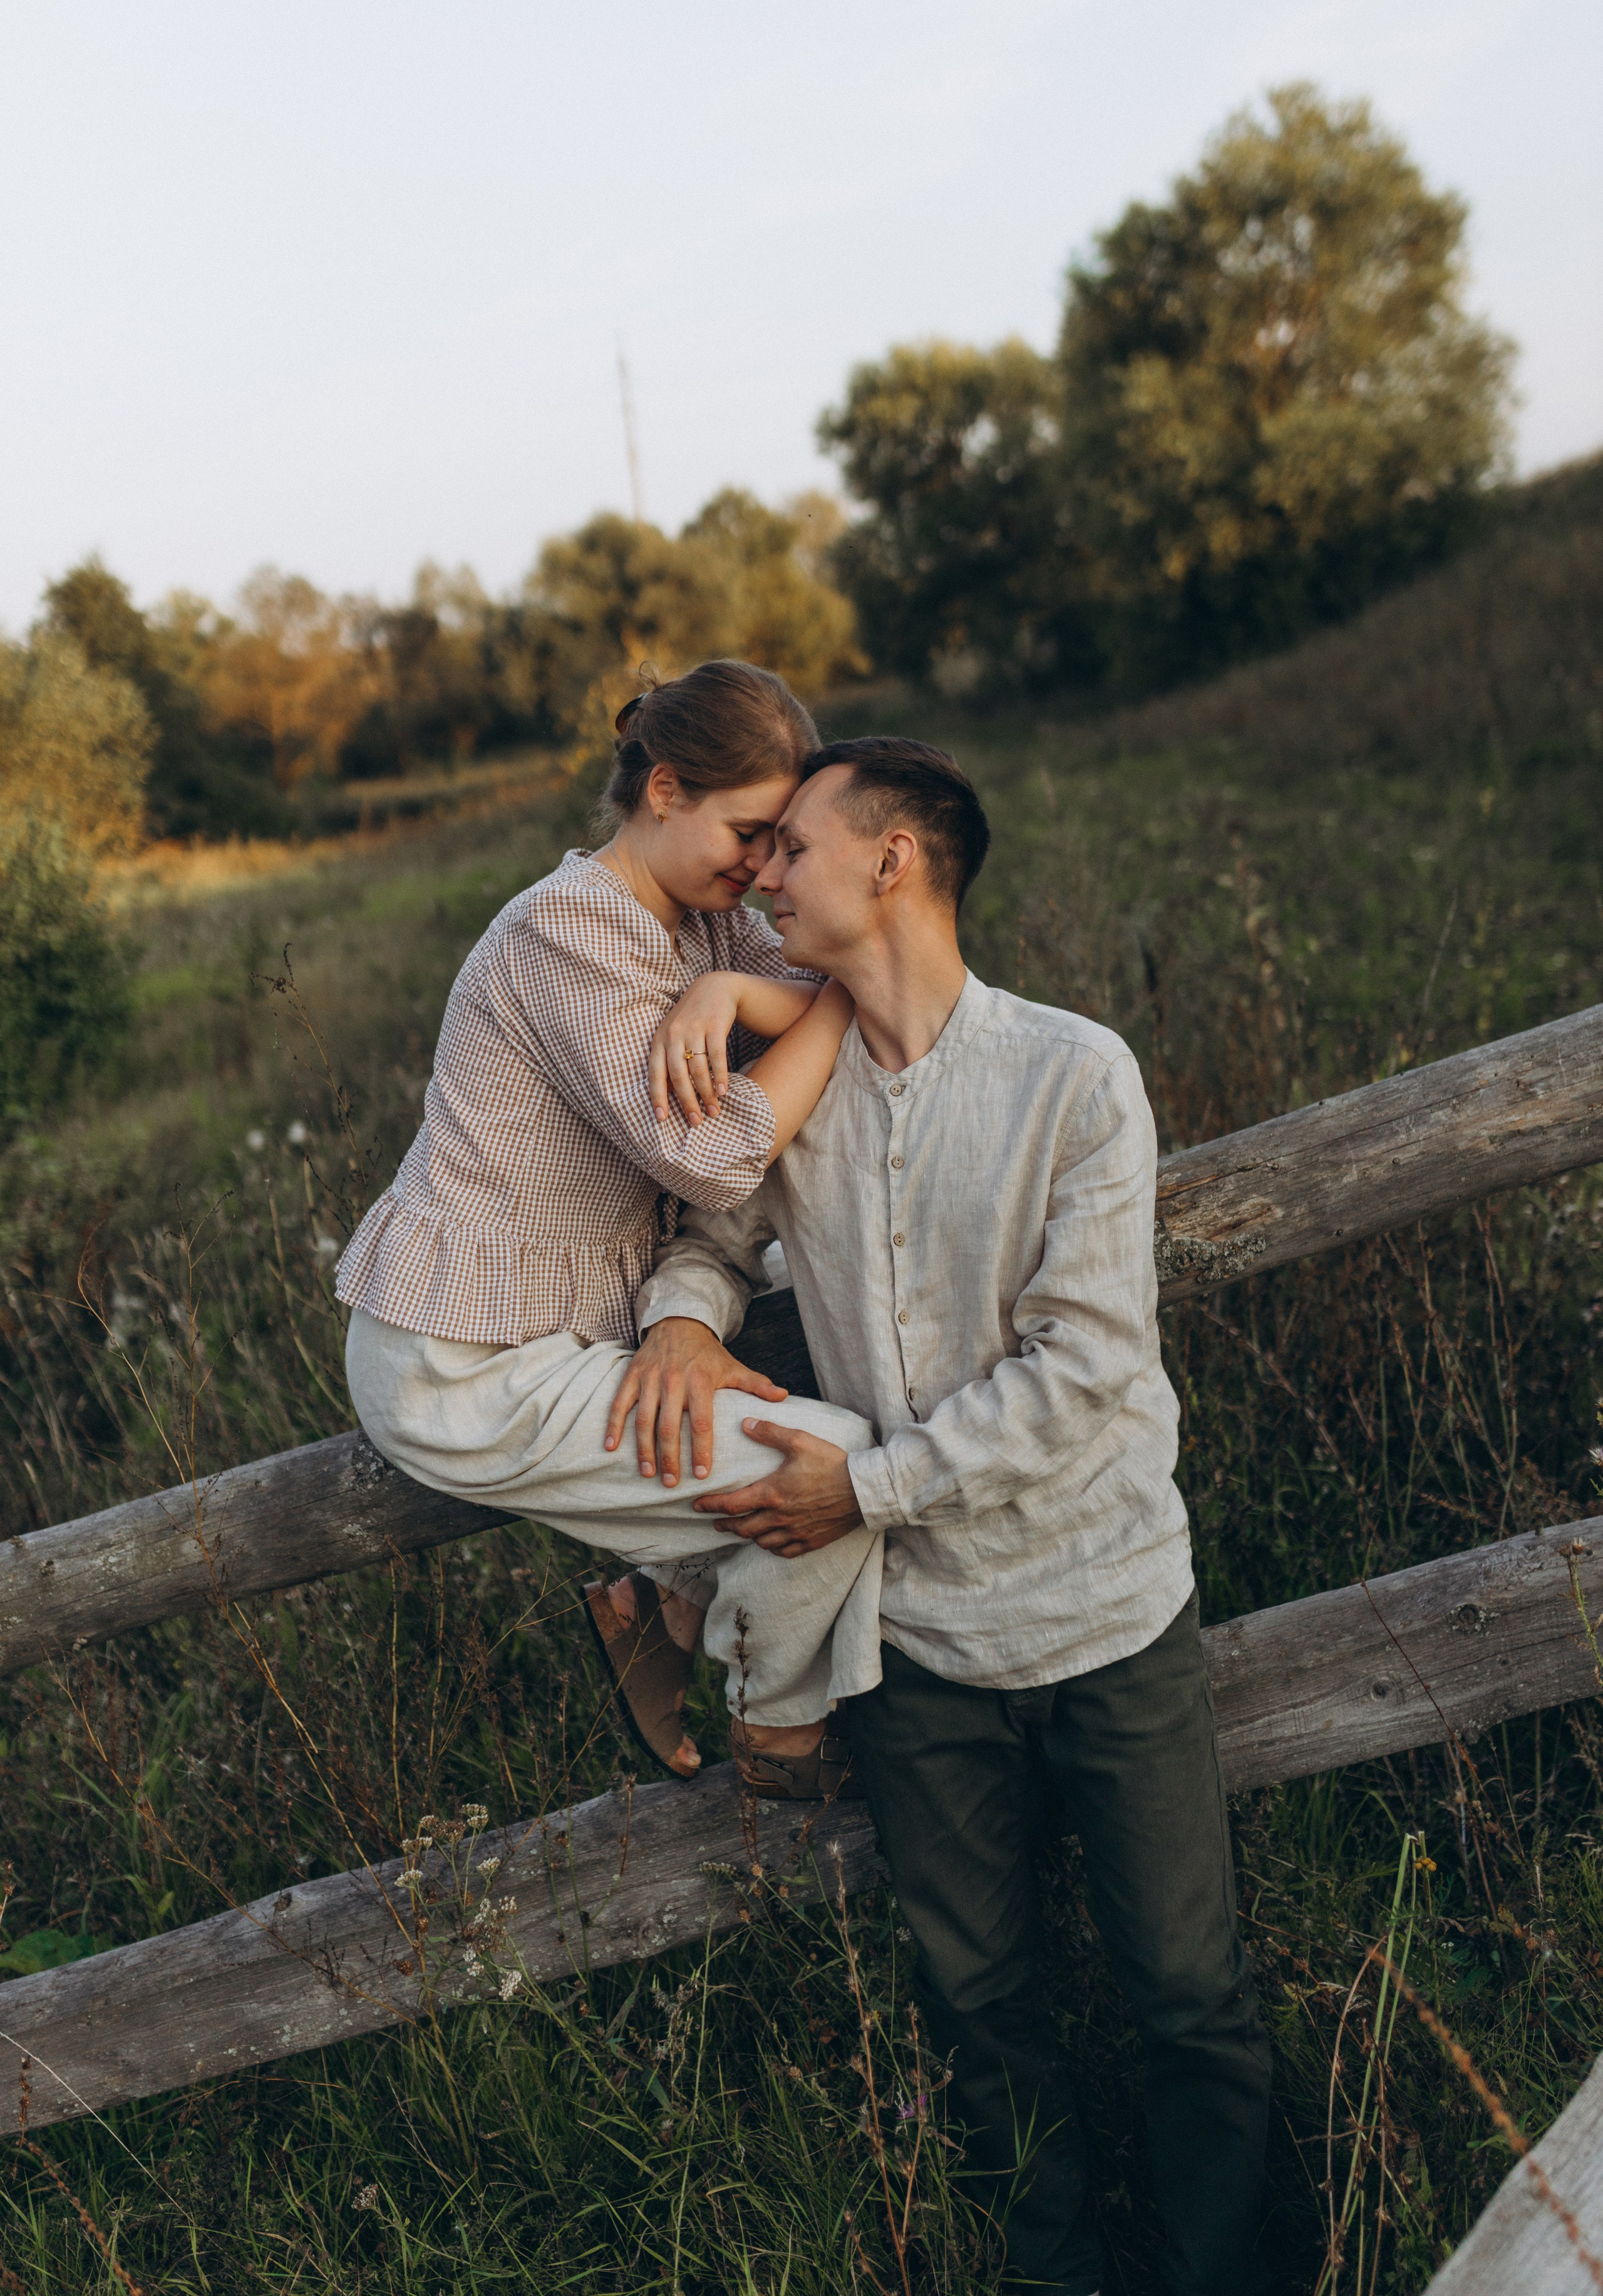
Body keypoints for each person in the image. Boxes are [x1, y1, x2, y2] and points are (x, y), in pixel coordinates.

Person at [611, 737, 1272, 2296]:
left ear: (891, 861)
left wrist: (869, 1484)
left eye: (793, 850)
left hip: (1105, 1613)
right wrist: (681, 1321)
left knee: (1186, 1993)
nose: (761, 873)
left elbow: (1088, 1367)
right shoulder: (805, 1084)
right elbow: (712, 1226)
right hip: (911, 1647)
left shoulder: (1072, 1073)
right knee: (979, 2011)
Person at [336, 661, 883, 1799]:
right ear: (667, 788)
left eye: (782, 840)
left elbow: (851, 977)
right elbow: (718, 1150)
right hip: (460, 1366)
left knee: (808, 1461)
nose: (764, 865)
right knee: (836, 1469)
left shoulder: (707, 925)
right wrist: (823, 1005)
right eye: (748, 831)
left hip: (558, 1340)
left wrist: (755, 993)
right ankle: (775, 1724)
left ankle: (657, 1606)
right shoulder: (567, 933)